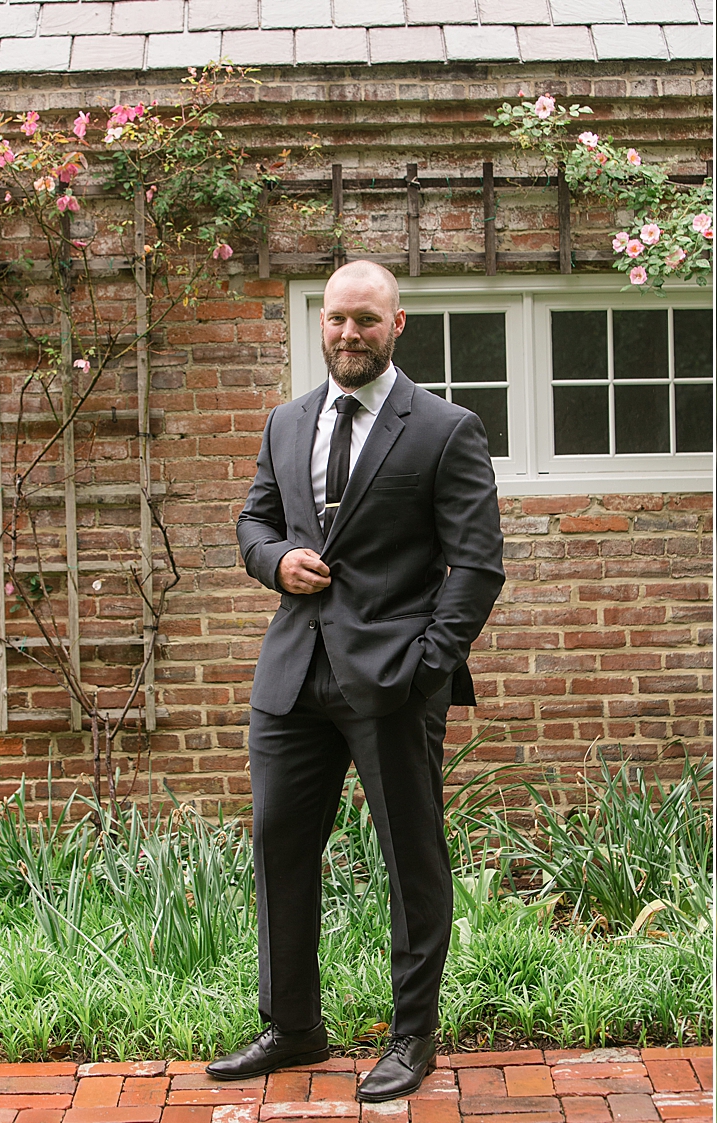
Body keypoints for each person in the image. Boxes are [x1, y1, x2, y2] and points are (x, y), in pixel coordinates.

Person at [212, 260, 505, 1101]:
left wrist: (425, 668)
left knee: (411, 860)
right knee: (280, 849)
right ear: (322, 324)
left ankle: (413, 1037)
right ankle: (294, 1026)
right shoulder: (287, 420)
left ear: (397, 324)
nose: (349, 333)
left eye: (366, 320)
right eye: (337, 318)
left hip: (393, 683)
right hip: (293, 675)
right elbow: (254, 518)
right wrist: (276, 560)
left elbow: (477, 566)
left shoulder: (446, 428)